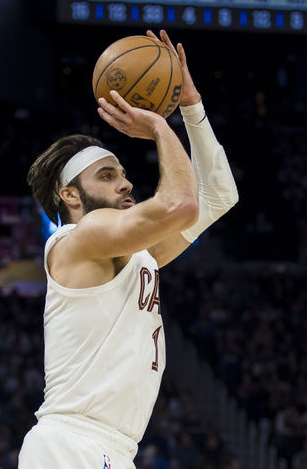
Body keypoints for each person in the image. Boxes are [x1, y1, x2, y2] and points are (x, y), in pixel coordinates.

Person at [18, 29, 238, 468]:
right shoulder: (79, 239)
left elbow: (218, 196)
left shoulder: (135, 255)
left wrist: (190, 105)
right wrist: (158, 124)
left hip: (113, 450)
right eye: (106, 175)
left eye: (121, 172)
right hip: (70, 443)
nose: (126, 182)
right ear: (71, 196)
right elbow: (182, 204)